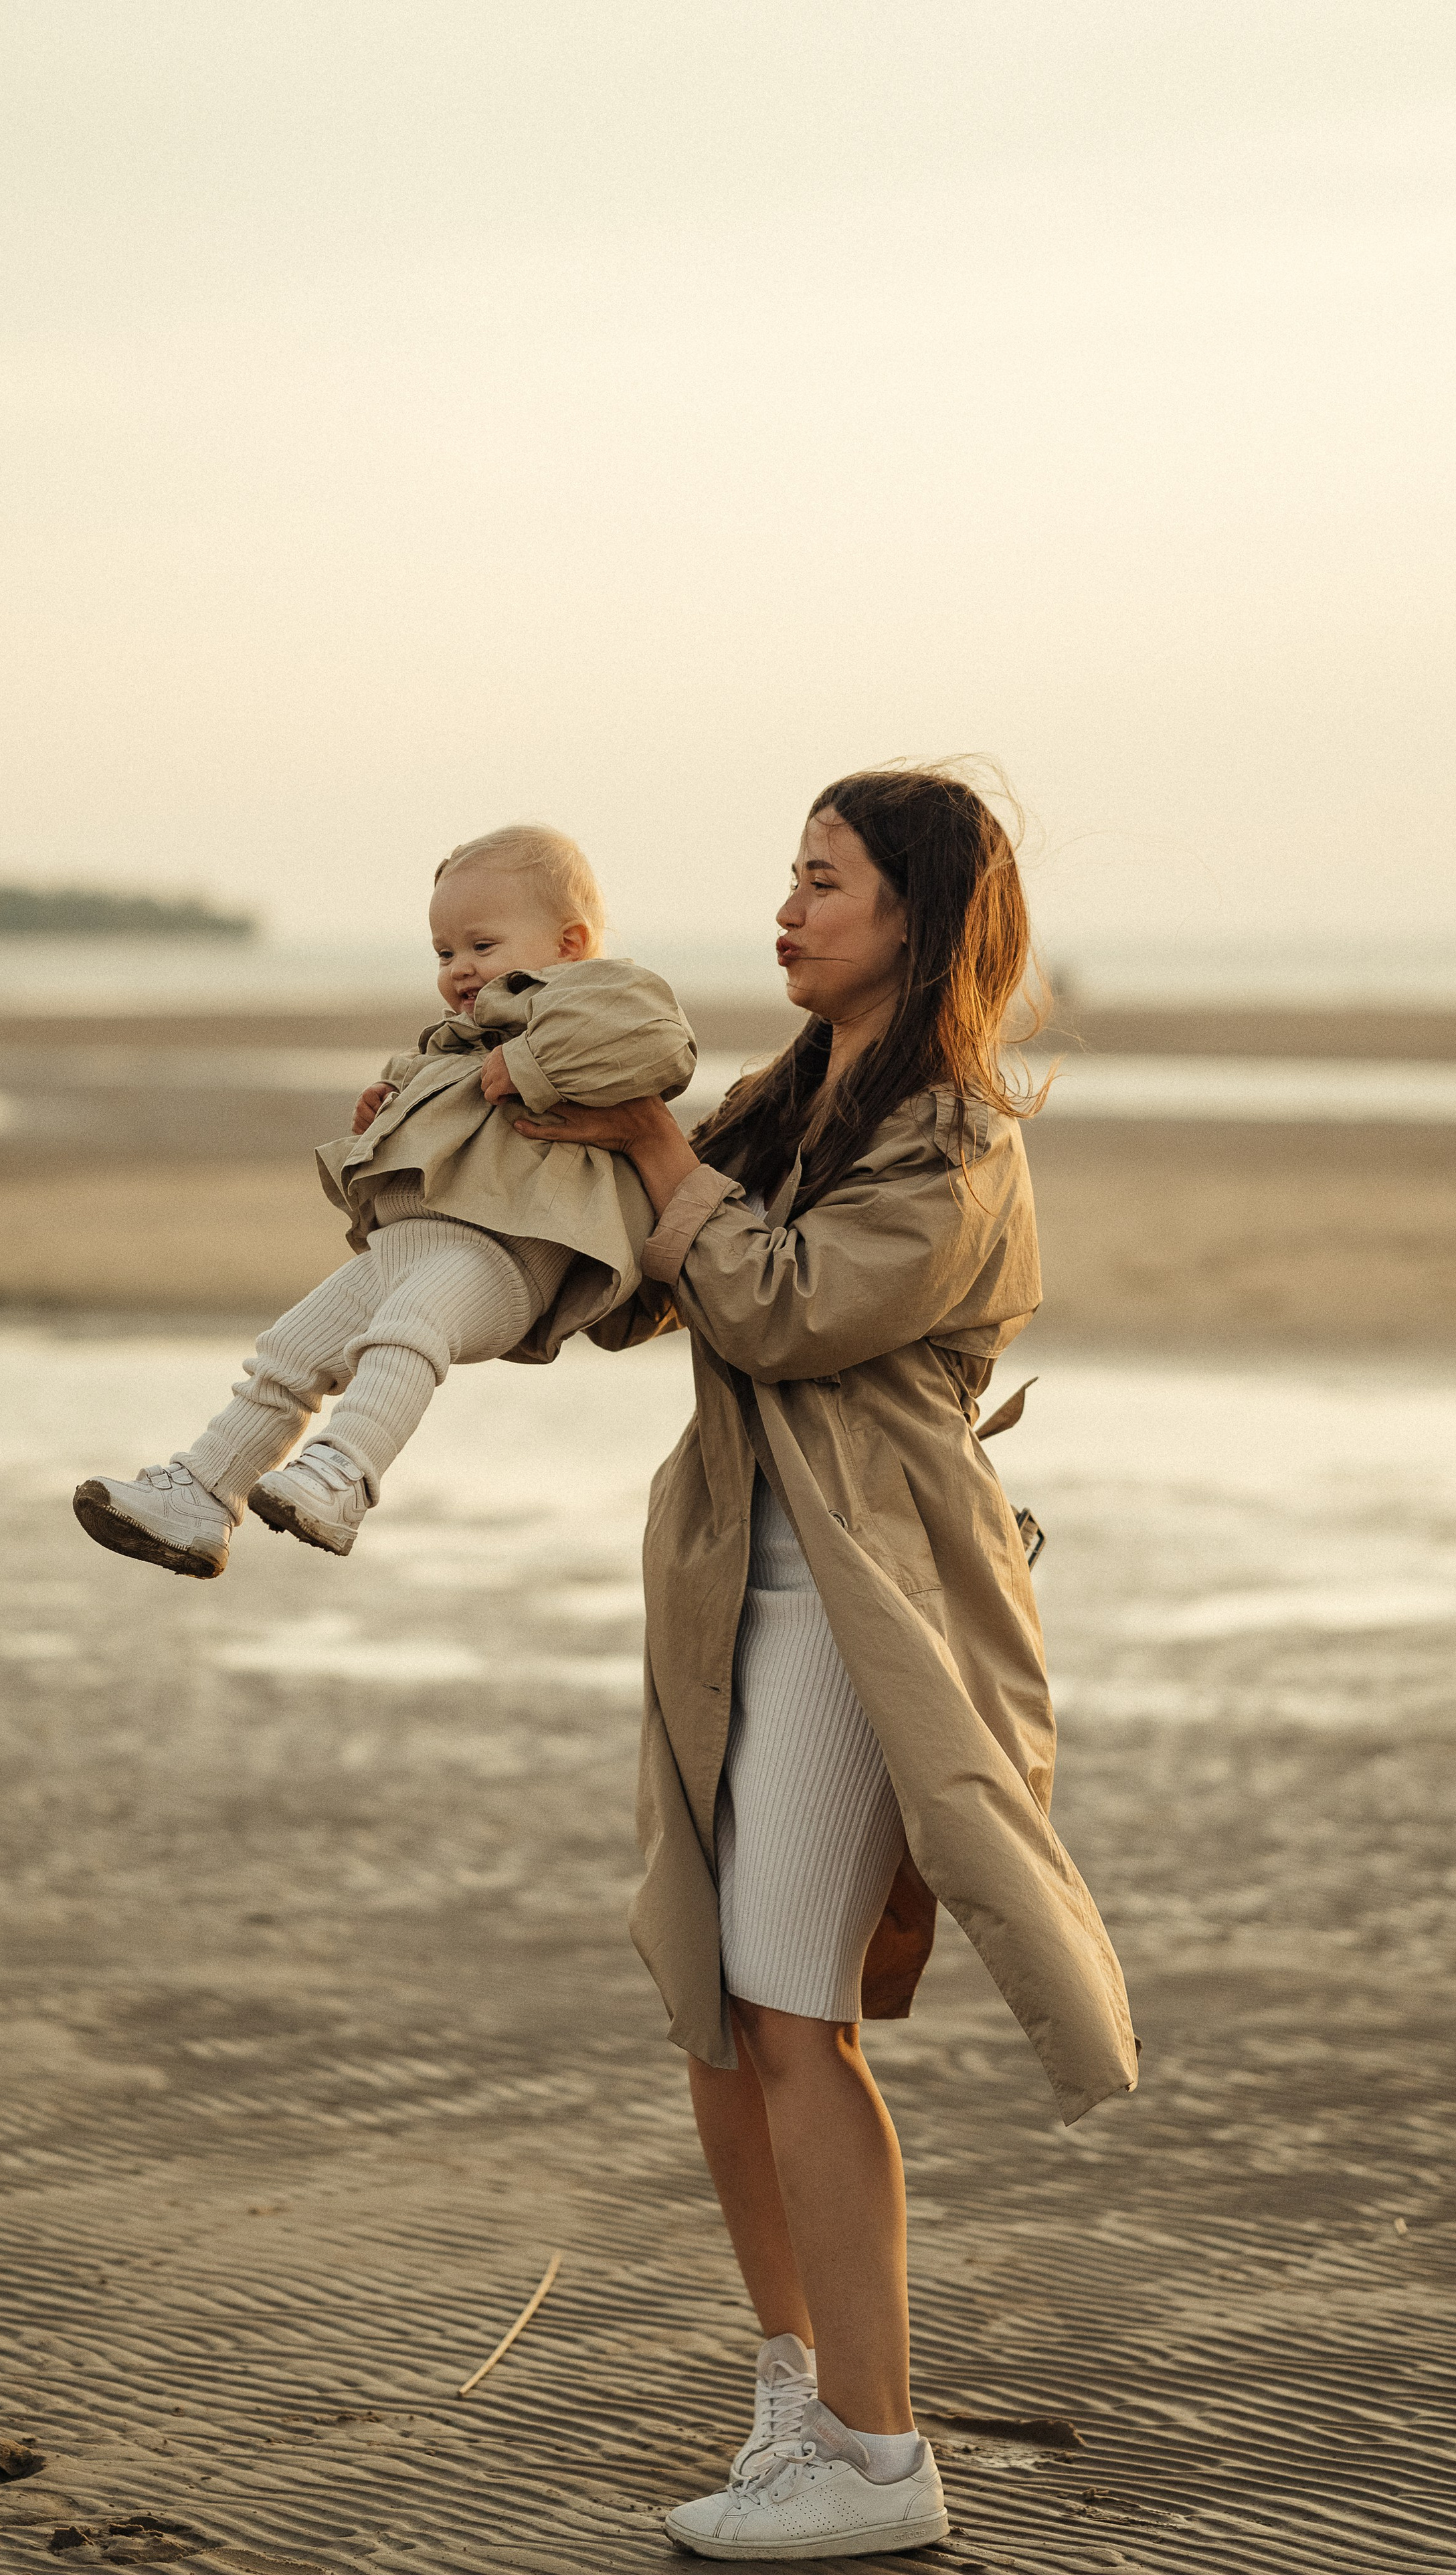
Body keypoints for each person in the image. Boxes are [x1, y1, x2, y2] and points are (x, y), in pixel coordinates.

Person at [509, 766, 1140, 2561]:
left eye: (825, 882)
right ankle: (795, 2405)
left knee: (797, 2008)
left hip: (879, 1602)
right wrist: (468, 1145)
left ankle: (879, 2460)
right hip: (734, 1581)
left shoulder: (957, 1137)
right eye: (788, 878)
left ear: (917, 920)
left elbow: (785, 1303)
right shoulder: (788, 1101)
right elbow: (635, 1293)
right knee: (722, 2006)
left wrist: (651, 1154)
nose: (787, 911)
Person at [72, 824, 696, 1575]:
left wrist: (531, 1060)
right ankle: (203, 1493)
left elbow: (657, 1043)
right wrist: (388, 1117)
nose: (460, 968)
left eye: (482, 946)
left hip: (507, 1254)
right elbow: (452, 1122)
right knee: (292, 1350)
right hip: (415, 1240)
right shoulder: (455, 1042)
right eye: (444, 953)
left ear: (569, 942)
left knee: (409, 1329)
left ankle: (343, 1474)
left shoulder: (601, 992)